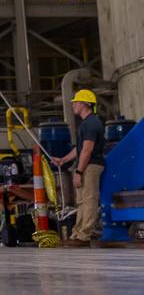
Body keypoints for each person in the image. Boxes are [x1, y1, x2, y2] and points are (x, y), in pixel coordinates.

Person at [54, 89, 105, 246]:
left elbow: (87, 150)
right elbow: (79, 149)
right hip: (85, 165)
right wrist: (63, 160)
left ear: (85, 104)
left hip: (90, 166)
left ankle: (84, 236)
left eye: (76, 102)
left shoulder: (91, 124)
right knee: (82, 201)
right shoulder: (86, 124)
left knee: (88, 200)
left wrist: (79, 171)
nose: (73, 105)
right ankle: (78, 234)